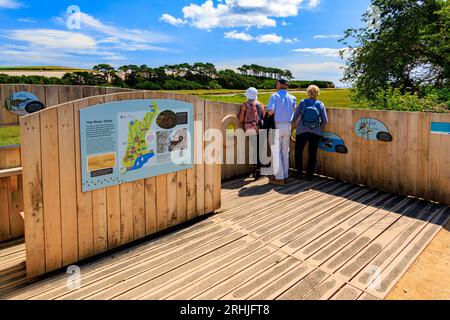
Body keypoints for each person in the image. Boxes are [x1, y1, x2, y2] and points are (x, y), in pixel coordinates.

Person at [291, 85, 328, 180]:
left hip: (302, 131)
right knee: (312, 153)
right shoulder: (320, 104)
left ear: (307, 93)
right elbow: (325, 120)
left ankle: (299, 172)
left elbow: (295, 117)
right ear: (317, 93)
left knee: (298, 151)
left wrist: (291, 125)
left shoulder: (303, 102)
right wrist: (320, 129)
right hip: (315, 132)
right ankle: (309, 175)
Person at [267, 77, 296, 186]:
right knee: (285, 152)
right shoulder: (293, 98)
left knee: (275, 152)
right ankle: (285, 174)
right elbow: (294, 111)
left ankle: (279, 178)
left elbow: (270, 112)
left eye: (277, 83)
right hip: (287, 126)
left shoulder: (274, 96)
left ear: (279, 84)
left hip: (277, 126)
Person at [239, 87, 265, 179]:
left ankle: (254, 170)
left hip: (250, 128)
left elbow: (241, 119)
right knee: (260, 149)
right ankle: (259, 171)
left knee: (254, 148)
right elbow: (263, 117)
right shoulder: (261, 104)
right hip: (260, 128)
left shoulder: (245, 104)